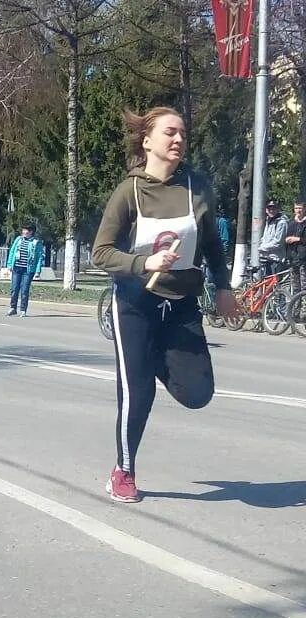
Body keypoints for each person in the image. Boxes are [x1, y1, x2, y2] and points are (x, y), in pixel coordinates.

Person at [92, 106, 236, 503]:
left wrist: (223, 287)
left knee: (197, 393)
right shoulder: (130, 190)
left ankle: (150, 361)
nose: (178, 140)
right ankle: (123, 470)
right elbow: (100, 253)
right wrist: (143, 263)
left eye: (183, 134)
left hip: (182, 305)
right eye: (170, 133)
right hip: (135, 305)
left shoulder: (197, 188)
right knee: (137, 393)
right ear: (148, 140)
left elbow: (212, 245)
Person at [5, 221, 45, 317]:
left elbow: (39, 257)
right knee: (14, 288)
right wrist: (9, 264)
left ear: (31, 232)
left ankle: (23, 309)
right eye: (23, 230)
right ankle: (13, 308)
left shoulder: (36, 243)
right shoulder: (18, 239)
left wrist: (38, 271)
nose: (24, 232)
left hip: (28, 270)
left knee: (24, 290)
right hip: (17, 267)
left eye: (26, 231)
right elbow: (12, 251)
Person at [285, 199, 306, 315]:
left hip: (303, 259)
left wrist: (297, 239)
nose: (298, 211)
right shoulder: (291, 223)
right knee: (295, 287)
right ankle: (296, 311)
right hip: (293, 259)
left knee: (304, 286)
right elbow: (287, 238)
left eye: (300, 208)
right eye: (296, 208)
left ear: (304, 210)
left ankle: (304, 311)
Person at [260, 200, 289, 266]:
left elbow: (278, 242)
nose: (271, 211)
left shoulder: (281, 222)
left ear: (278, 209)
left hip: (276, 259)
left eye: (274, 209)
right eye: (269, 209)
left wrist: (262, 248)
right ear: (266, 210)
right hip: (267, 258)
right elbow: (265, 237)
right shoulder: (269, 220)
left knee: (276, 276)